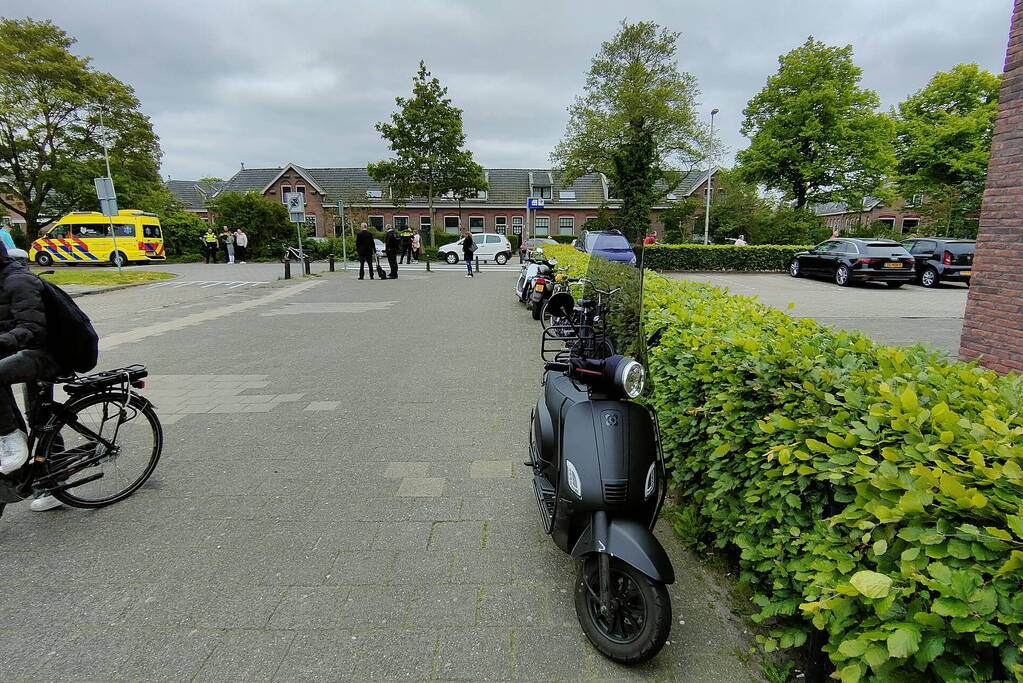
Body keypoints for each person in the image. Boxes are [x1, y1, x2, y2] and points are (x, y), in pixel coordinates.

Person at [0, 242, 65, 512]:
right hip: (15, 352)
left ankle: (55, 482)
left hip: (47, 352)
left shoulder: (20, 282)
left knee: (41, 417)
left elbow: (32, 329)